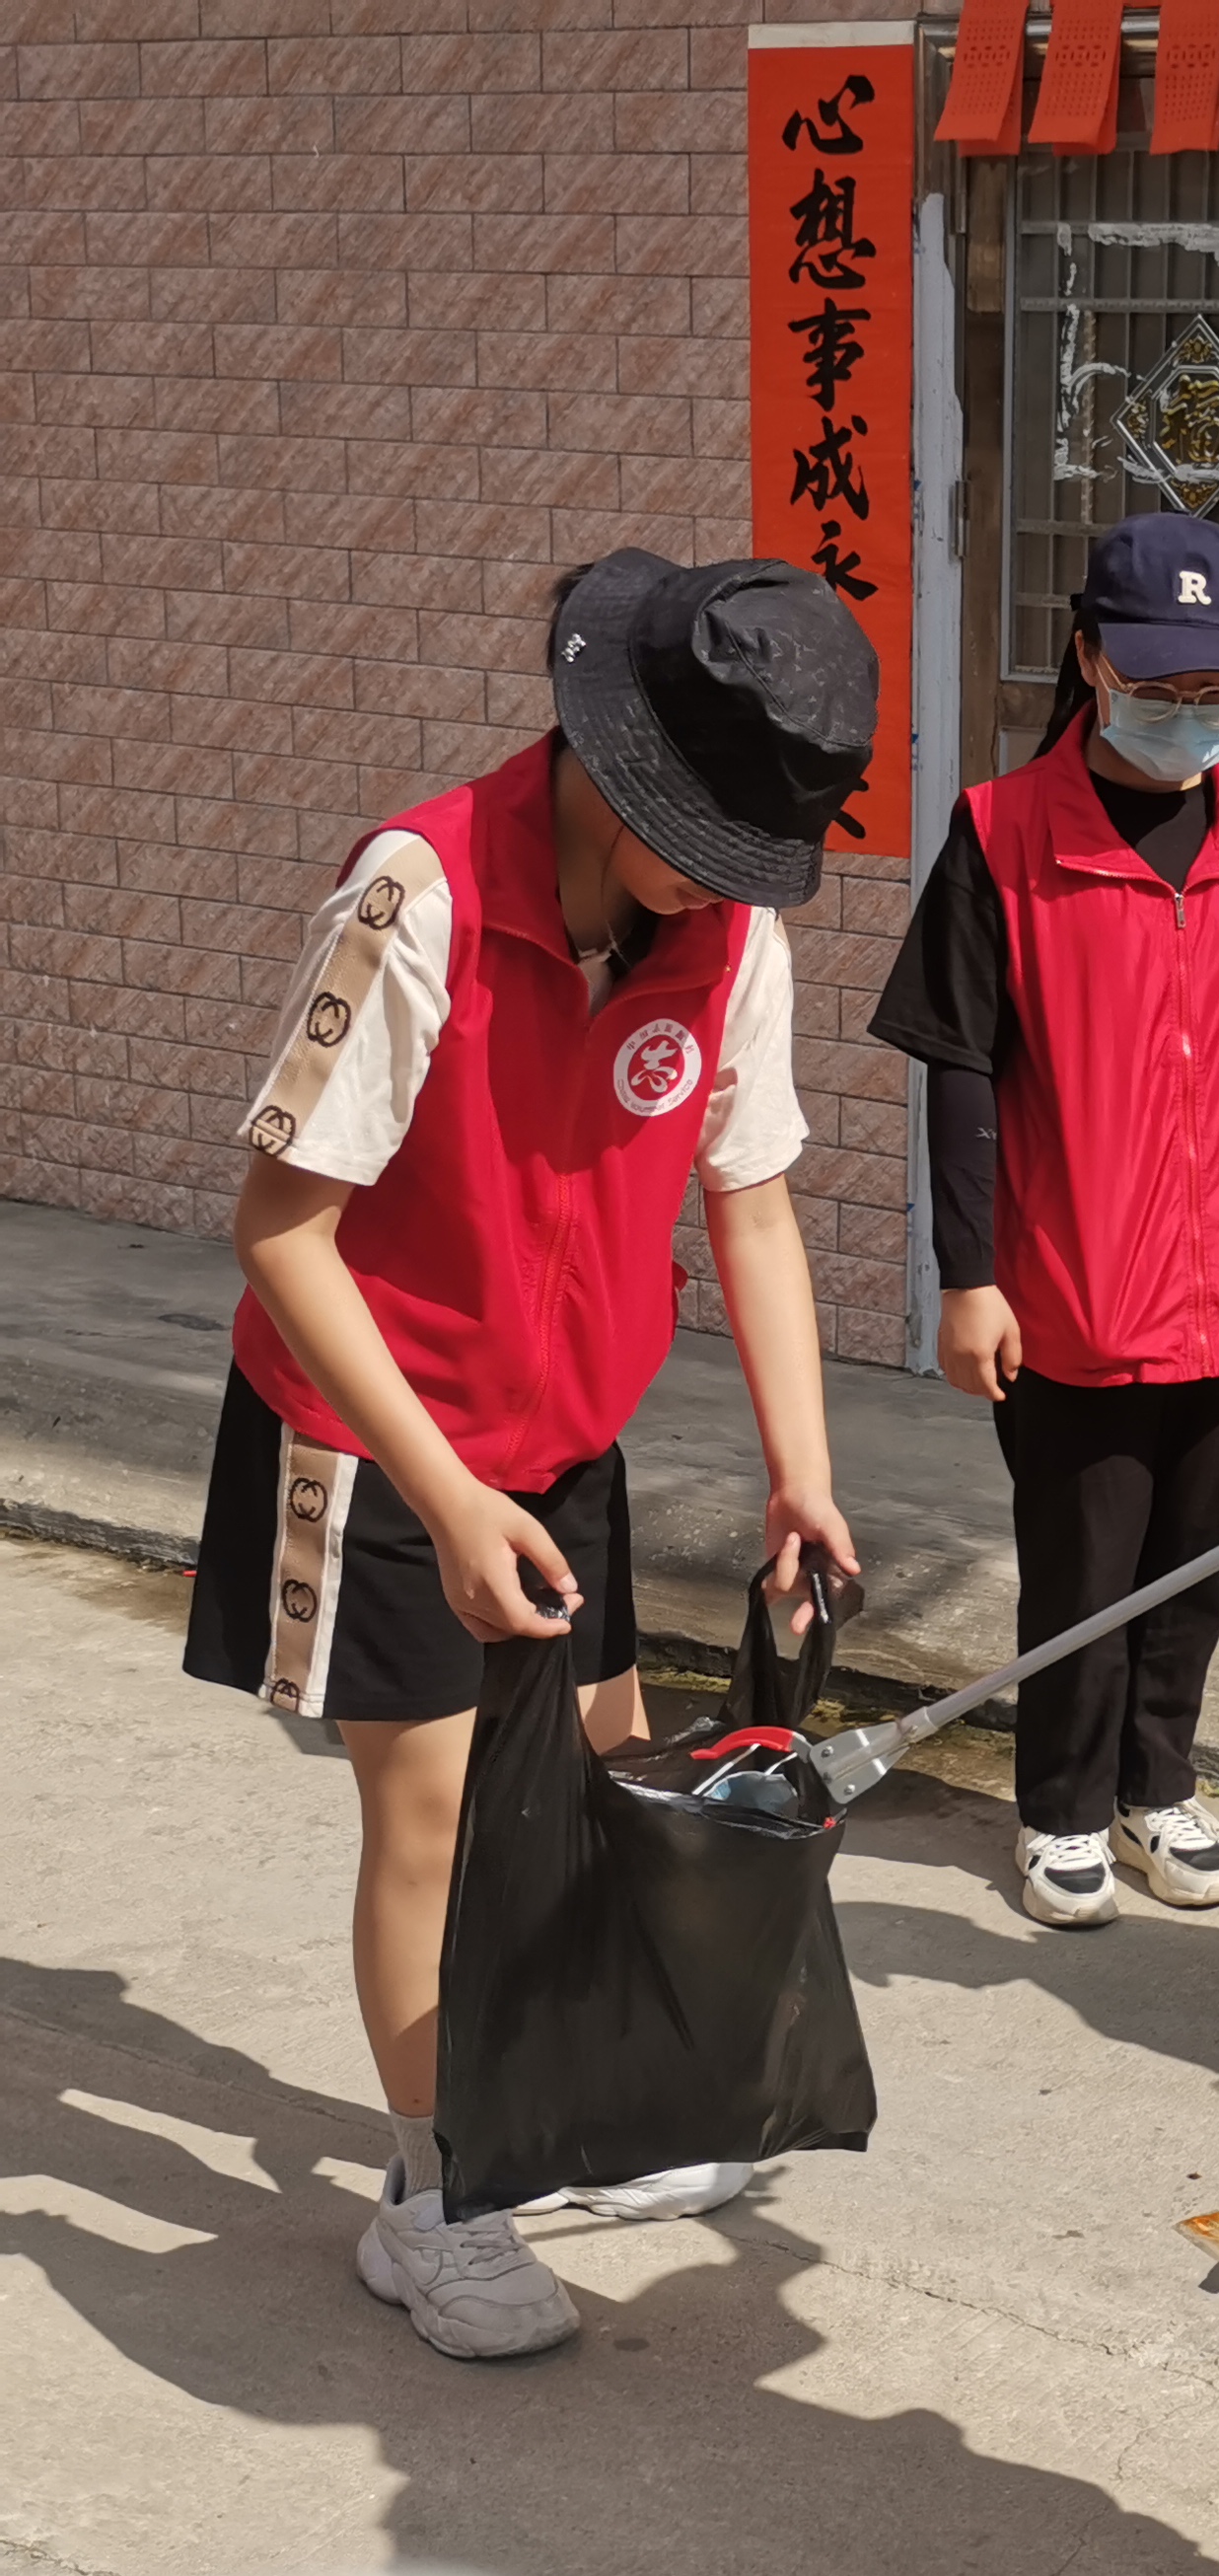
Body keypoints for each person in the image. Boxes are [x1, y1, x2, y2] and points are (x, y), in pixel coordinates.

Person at [182, 552, 875, 2362]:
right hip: (372, 1434)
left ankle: (552, 2115)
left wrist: (801, 1470)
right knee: (431, 1823)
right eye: (696, 840)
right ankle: (435, 2194)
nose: (720, 883)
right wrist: (443, 1496)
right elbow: (280, 1231)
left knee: (597, 1784)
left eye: (752, 856)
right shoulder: (414, 898)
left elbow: (753, 1206)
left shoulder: (727, 936)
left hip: (562, 1436)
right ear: (610, 757)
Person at [869, 515, 1219, 1929]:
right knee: (1083, 1570)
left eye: (1218, 691)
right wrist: (967, 1276)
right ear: (1090, 659)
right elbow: (959, 1068)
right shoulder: (1000, 834)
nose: (1192, 714)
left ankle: (1160, 1787)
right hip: (1072, 1285)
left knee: (1196, 1564)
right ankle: (1062, 1807)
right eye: (1159, 686)